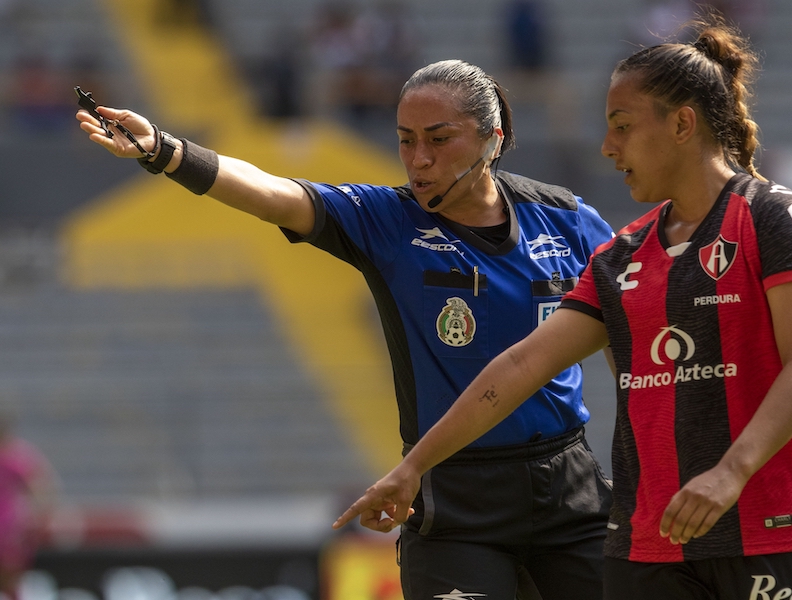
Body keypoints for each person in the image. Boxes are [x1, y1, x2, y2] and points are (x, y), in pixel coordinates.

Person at [334, 15, 792, 600]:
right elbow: (521, 367)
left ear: (682, 124)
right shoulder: (620, 256)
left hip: (774, 531)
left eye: (622, 127)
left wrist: (729, 472)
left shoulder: (773, 216)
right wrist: (412, 467)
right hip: (651, 548)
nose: (607, 146)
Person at [76, 59, 615, 599]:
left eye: (439, 139)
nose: (419, 159)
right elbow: (272, 194)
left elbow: (627, 349)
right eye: (406, 141)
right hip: (455, 501)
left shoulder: (569, 220)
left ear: (492, 139)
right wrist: (166, 152)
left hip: (570, 490)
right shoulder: (387, 221)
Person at [0, 415, 56, 600]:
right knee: (10, 582)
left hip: (9, 527)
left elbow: (40, 487)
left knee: (10, 580)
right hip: (12, 528)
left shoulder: (16, 455)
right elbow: (41, 487)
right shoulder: (18, 454)